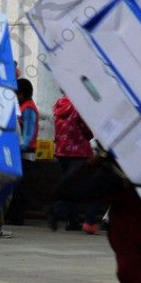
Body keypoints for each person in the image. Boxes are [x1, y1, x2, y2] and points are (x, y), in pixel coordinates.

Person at [0, 78, 37, 238]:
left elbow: (26, 134)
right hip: (8, 155)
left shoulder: (25, 109)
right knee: (6, 191)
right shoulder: (13, 109)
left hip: (12, 154)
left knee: (10, 191)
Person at [48, 96, 107, 234]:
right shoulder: (79, 105)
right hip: (78, 152)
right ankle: (55, 209)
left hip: (61, 150)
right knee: (78, 186)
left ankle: (73, 221)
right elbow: (86, 131)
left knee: (69, 183)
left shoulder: (59, 104)